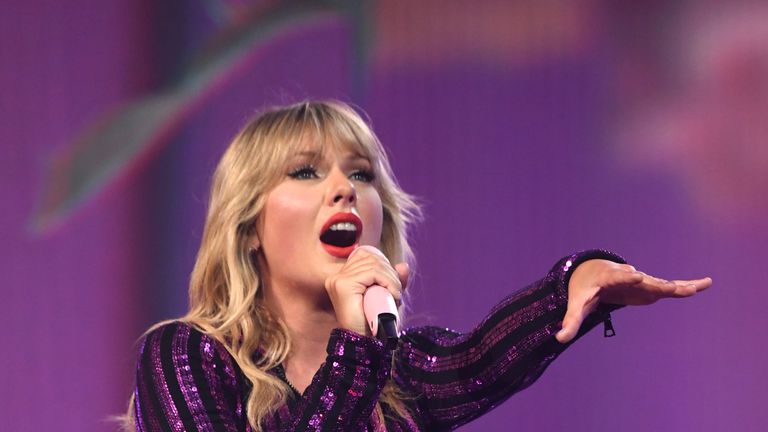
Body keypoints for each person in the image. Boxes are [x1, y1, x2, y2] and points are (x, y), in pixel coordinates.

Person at [125, 101, 711, 431]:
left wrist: (581, 279)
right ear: (249, 226)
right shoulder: (188, 356)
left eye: (360, 174)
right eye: (305, 173)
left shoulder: (400, 370)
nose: (343, 190)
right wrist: (357, 353)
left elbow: (483, 357)